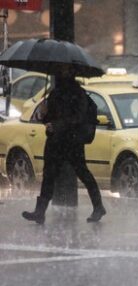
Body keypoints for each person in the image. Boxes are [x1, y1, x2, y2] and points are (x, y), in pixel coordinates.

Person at [22, 66, 106, 224]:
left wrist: (58, 125)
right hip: (55, 141)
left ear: (72, 73)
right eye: (61, 71)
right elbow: (49, 117)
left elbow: (78, 118)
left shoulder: (78, 94)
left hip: (72, 141)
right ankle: (40, 211)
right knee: (49, 176)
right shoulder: (55, 93)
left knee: (82, 173)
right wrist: (44, 115)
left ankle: (98, 206)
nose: (62, 73)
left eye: (66, 71)